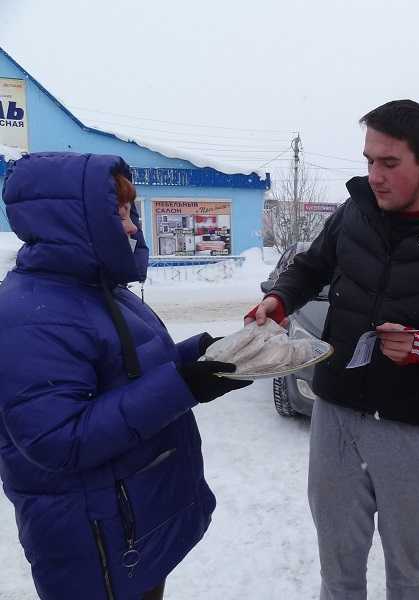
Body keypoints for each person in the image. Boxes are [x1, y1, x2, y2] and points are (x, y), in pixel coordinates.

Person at [249, 99, 419, 599]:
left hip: (414, 432)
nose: (374, 175)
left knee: (407, 572)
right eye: (369, 160)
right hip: (337, 418)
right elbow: (311, 267)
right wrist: (280, 299)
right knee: (338, 570)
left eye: (389, 163)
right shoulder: (354, 213)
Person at [0, 152, 250, 600]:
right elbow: (57, 439)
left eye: (128, 209)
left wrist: (203, 356)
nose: (133, 225)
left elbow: (133, 370)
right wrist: (184, 385)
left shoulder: (101, 289)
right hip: (95, 546)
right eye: (116, 212)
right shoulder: (29, 313)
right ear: (73, 219)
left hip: (132, 526)